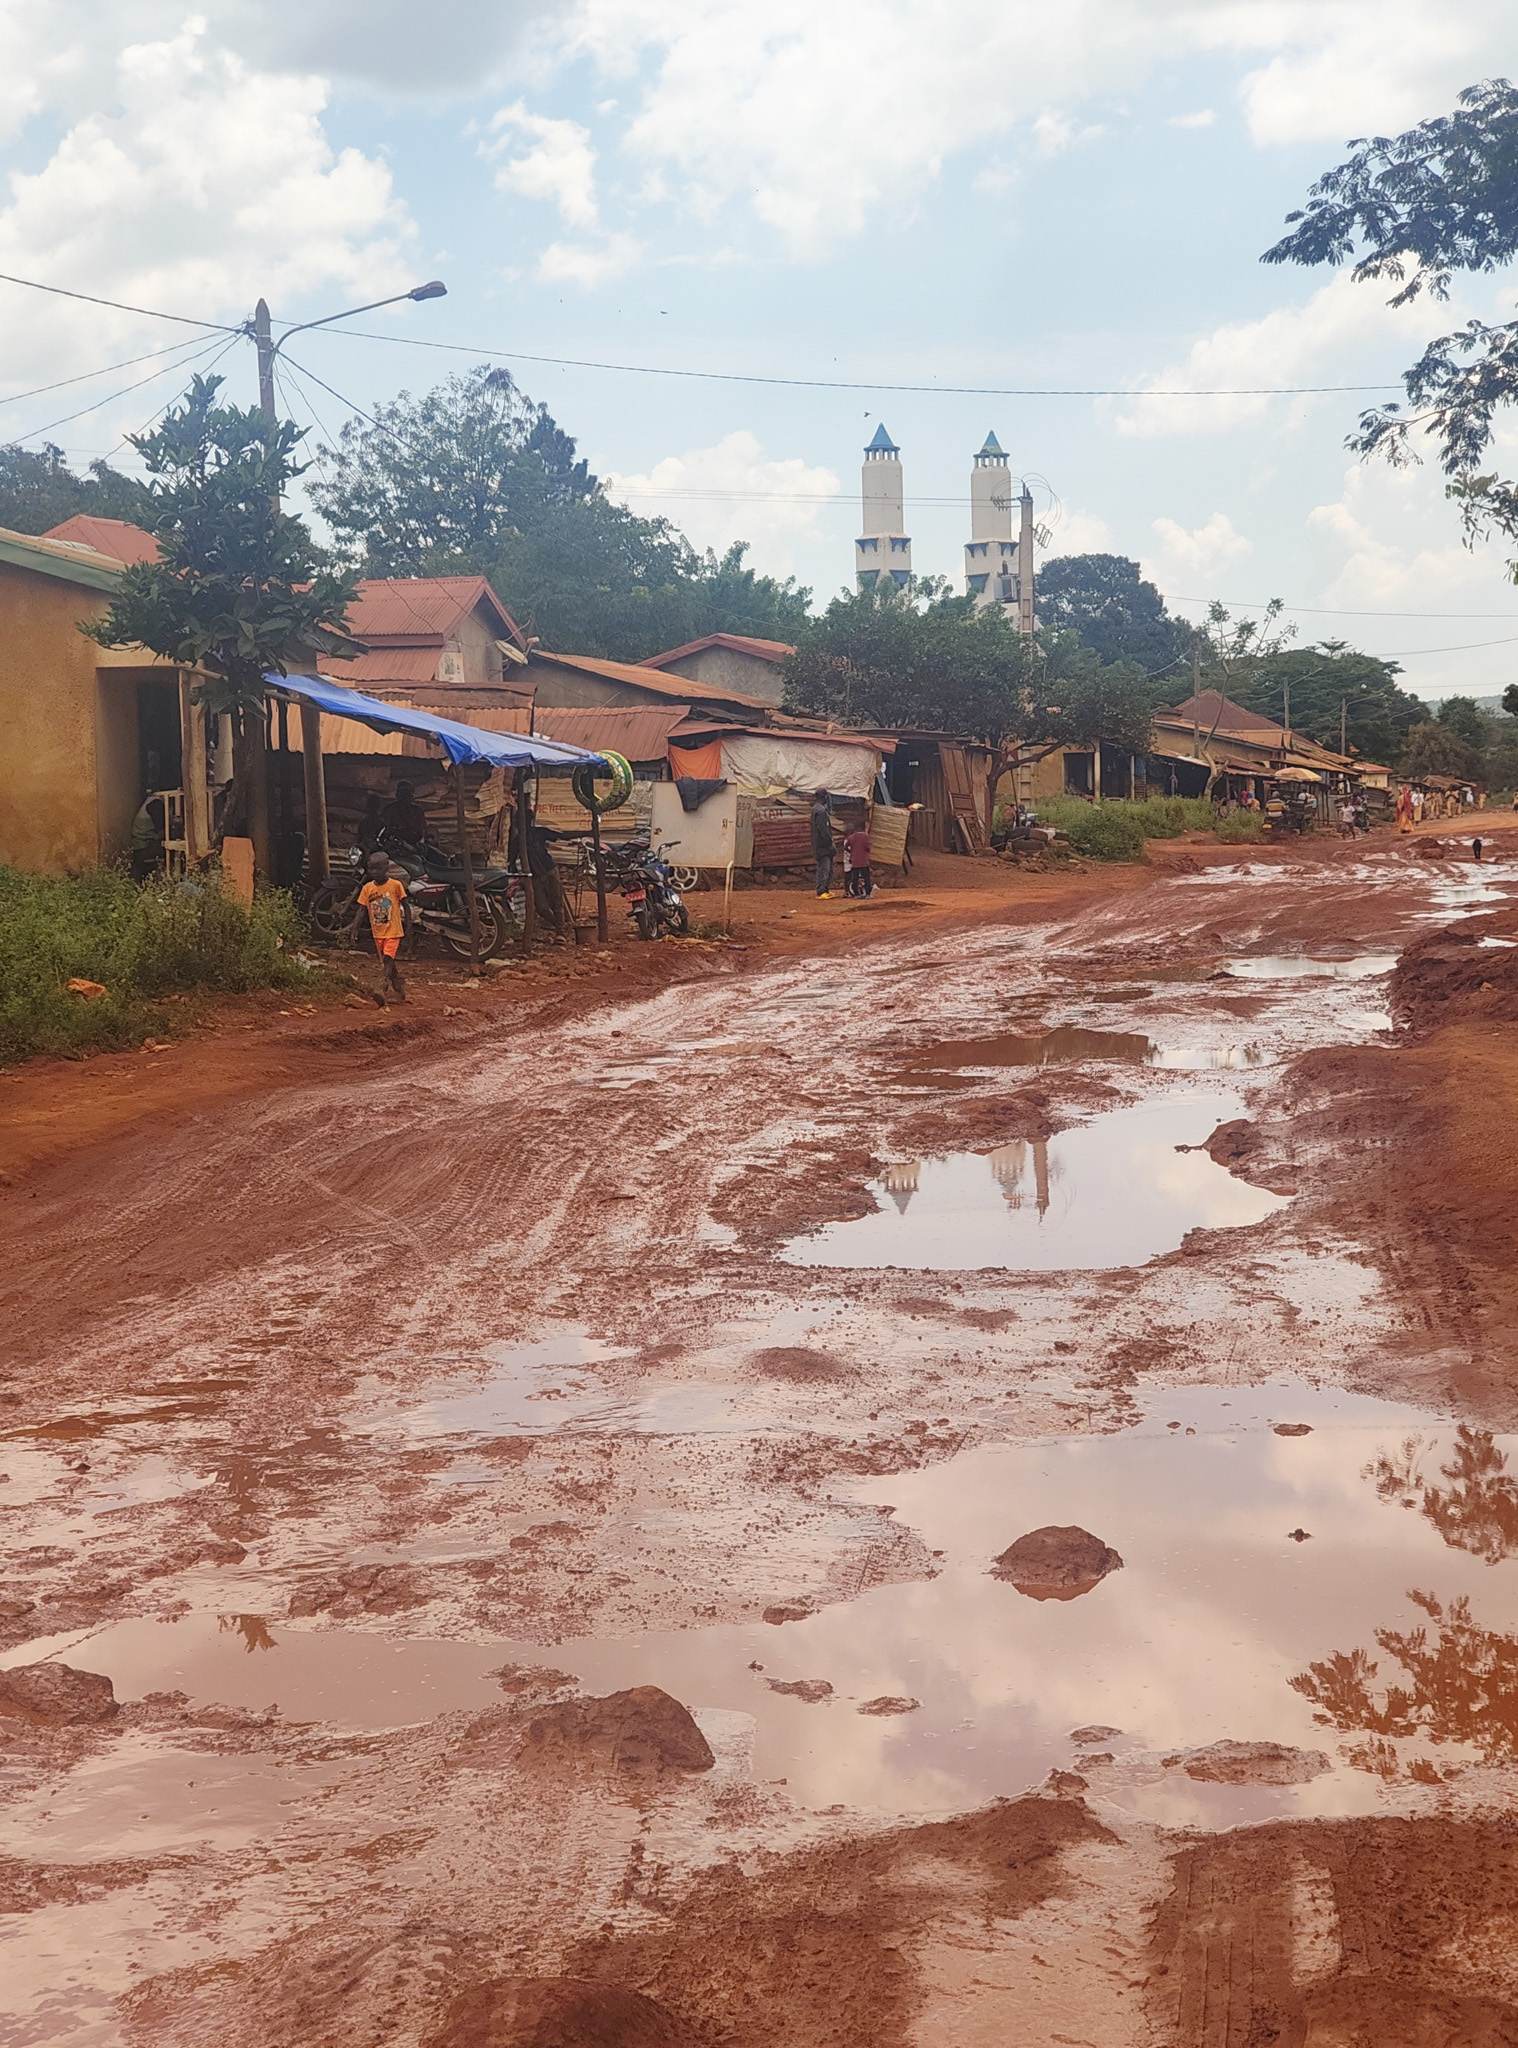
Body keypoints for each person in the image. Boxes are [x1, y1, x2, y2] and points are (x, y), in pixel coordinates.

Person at [355, 850, 409, 1004]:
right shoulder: (367, 888)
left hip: (394, 931)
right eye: (371, 869)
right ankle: (399, 987)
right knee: (389, 962)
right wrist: (354, 929)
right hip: (377, 932)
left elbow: (406, 906)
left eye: (377, 868)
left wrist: (409, 930)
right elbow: (361, 910)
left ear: (386, 868)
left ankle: (381, 987)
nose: (374, 872)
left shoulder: (395, 885)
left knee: (387, 959)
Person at [382, 780, 429, 847]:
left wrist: (421, 842)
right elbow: (386, 829)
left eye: (408, 794)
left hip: (415, 845)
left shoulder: (417, 810)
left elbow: (422, 830)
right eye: (403, 794)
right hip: (395, 845)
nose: (405, 797)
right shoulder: (390, 810)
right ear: (397, 795)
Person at [810, 790, 835, 898]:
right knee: (825, 868)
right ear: (824, 797)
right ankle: (821, 890)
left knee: (824, 868)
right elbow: (823, 830)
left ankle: (824, 889)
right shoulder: (820, 811)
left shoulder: (816, 809)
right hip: (823, 846)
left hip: (819, 844)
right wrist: (830, 844)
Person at [844, 820, 873, 898]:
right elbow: (868, 848)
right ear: (863, 828)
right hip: (864, 861)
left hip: (854, 862)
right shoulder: (865, 836)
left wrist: (852, 852)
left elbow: (846, 847)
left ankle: (856, 894)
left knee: (855, 878)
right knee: (866, 878)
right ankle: (867, 894)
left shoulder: (851, 837)